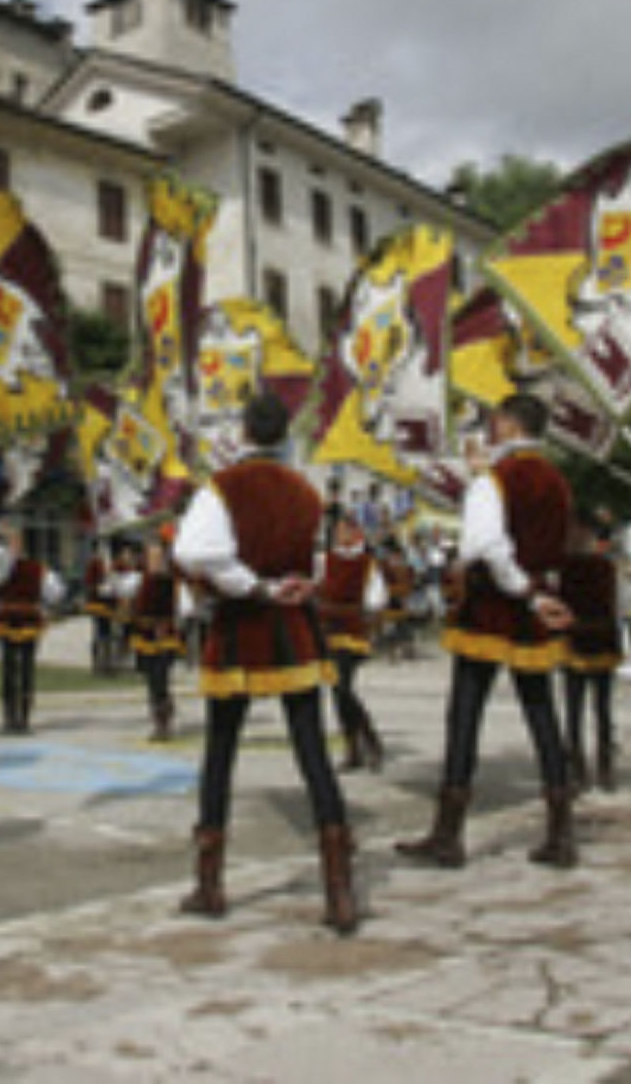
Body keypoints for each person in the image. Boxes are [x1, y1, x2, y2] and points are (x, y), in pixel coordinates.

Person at [171, 389, 361, 934]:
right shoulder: (306, 490)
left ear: (245, 432)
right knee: (311, 751)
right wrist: (297, 584)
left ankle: (210, 884)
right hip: (294, 626)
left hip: (242, 624)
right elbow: (323, 560)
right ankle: (339, 889)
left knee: (221, 751)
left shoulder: (223, 487)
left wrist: (252, 586)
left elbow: (192, 552)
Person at [395, 392, 578, 872]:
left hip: (495, 605)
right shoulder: (557, 481)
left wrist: (518, 587)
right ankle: (561, 830)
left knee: (465, 715)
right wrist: (535, 592)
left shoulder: (492, 481)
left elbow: (484, 545)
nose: (490, 428)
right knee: (541, 713)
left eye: (496, 421)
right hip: (534, 602)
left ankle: (448, 833)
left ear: (509, 425)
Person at [315, 513, 388, 772]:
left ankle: (369, 741)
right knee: (338, 690)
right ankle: (355, 746)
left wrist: (367, 618)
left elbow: (376, 599)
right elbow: (314, 586)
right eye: (337, 531)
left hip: (352, 631)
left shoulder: (367, 564)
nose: (340, 535)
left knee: (342, 686)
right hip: (327, 631)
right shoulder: (325, 560)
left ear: (356, 533)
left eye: (345, 530)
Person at [559, 505, 624, 794]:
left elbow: (612, 604)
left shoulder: (603, 566)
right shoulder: (565, 566)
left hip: (597, 638)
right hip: (576, 639)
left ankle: (604, 765)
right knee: (574, 708)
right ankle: (578, 767)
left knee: (602, 708)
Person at [0, 523, 60, 734]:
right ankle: (9, 716)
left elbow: (53, 591)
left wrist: (45, 606)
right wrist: (4, 553)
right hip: (7, 620)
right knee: (9, 669)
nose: (14, 544)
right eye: (11, 541)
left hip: (28, 621)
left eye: (17, 541)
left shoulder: (36, 568)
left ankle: (24, 717)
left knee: (27, 669)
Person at [116, 531, 187, 742]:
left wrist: (177, 623)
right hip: (144, 637)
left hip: (166, 637)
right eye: (150, 556)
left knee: (160, 677)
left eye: (157, 556)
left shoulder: (173, 581)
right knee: (150, 678)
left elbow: (185, 608)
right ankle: (160, 712)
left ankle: (163, 721)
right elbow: (125, 601)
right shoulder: (137, 579)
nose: (154, 560)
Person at [80, 539, 122, 677]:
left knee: (110, 634)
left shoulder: (112, 564)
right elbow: (89, 583)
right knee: (100, 633)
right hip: (98, 603)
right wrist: (99, 588)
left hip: (110, 603)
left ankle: (109, 664)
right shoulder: (94, 563)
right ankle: (98, 664)